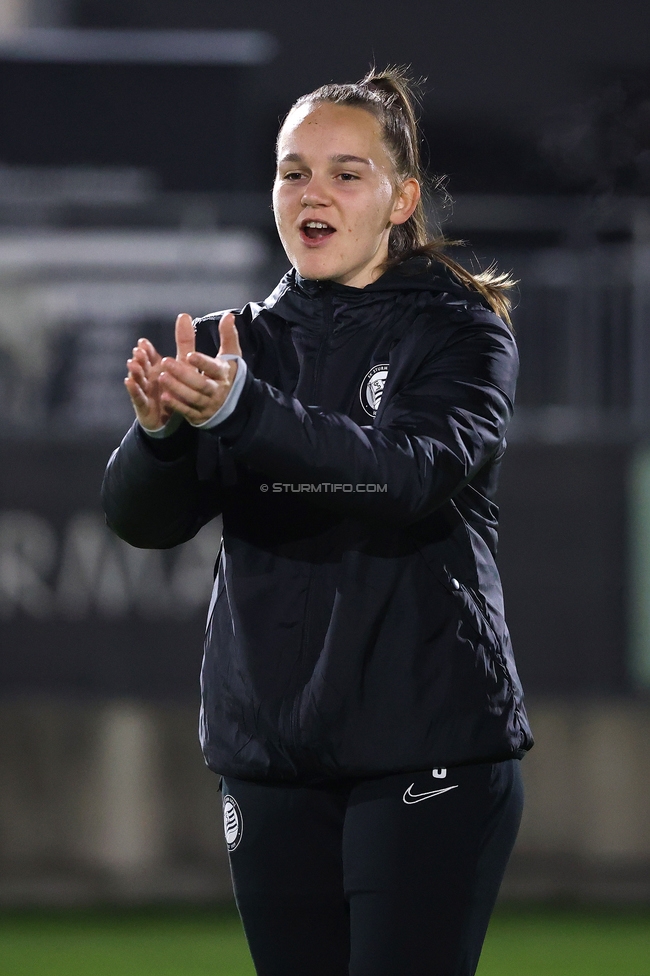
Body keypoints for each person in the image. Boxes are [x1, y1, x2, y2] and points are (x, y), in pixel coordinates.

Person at [102, 66, 533, 976]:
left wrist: (240, 416)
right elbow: (144, 522)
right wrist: (159, 440)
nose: (313, 193)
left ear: (400, 198)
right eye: (293, 171)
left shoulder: (462, 333)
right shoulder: (236, 346)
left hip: (425, 746)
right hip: (271, 755)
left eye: (346, 172)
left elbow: (409, 475)